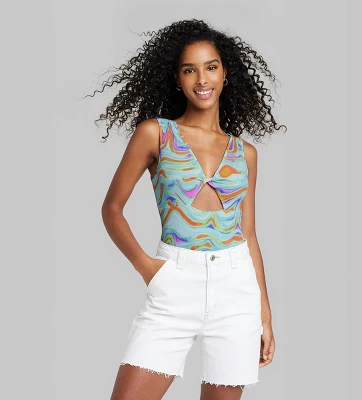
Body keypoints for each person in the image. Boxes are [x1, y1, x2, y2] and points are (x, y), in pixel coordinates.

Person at [90, 18, 286, 400]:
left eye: (211, 67)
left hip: (236, 288)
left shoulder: (245, 153)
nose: (202, 79)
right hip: (175, 282)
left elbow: (248, 235)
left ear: (225, 73)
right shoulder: (155, 134)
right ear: (178, 79)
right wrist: (148, 268)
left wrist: (265, 312)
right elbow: (112, 209)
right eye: (189, 69)